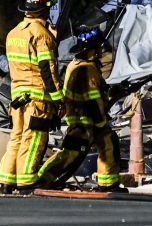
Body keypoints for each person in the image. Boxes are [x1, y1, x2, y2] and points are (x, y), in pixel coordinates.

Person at [37, 27, 123, 192]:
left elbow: (93, 92)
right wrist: (100, 122)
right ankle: (43, 178)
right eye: (97, 47)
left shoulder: (76, 64)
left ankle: (108, 183)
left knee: (102, 146)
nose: (100, 51)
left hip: (80, 116)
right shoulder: (87, 68)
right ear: (92, 49)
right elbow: (92, 99)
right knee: (72, 152)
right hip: (85, 118)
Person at [0, 0, 63, 194]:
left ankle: (7, 181)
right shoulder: (41, 35)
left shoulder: (14, 33)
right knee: (33, 139)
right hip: (37, 98)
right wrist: (58, 100)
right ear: (45, 11)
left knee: (16, 137)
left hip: (17, 96)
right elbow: (47, 70)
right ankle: (26, 182)